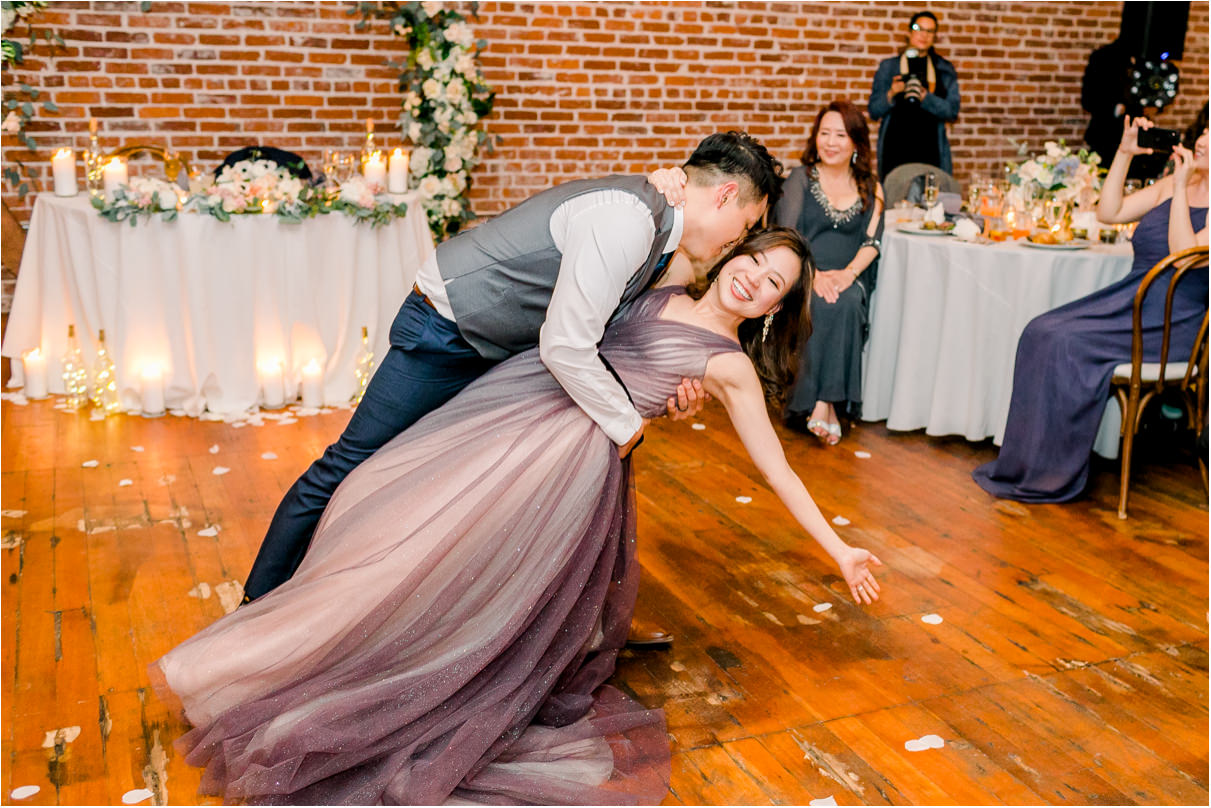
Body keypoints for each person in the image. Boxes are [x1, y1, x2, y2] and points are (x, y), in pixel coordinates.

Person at [151, 228, 885, 805]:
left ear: (774, 308)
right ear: (737, 251)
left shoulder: (725, 366)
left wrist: (838, 548)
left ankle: (358, 673)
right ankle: (303, 651)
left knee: (451, 563)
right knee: (386, 505)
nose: (753, 279)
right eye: (756, 260)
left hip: (562, 460)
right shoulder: (667, 280)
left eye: (773, 285)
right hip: (521, 398)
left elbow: (776, 468)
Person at [241, 131, 782, 607]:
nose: (738, 239)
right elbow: (568, 345)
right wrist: (628, 426)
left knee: (444, 483)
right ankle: (258, 600)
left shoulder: (660, 229)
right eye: (745, 226)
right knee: (352, 464)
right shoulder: (629, 219)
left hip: (499, 349)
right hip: (445, 332)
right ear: (726, 194)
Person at [973, 110, 1208, 502]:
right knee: (1040, 330)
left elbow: (1185, 258)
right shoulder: (1173, 183)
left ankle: (1052, 476)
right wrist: (1124, 153)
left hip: (1171, 322)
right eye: (1205, 129)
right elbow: (1109, 212)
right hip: (1132, 301)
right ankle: (1024, 465)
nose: (1202, 139)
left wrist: (1182, 189)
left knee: (1066, 342)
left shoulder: (1182, 187)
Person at [773, 100, 885, 444]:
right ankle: (822, 403)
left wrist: (847, 275)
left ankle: (824, 402)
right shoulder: (799, 179)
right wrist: (814, 275)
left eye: (841, 134)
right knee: (821, 302)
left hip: (850, 276)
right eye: (825, 133)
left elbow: (872, 242)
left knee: (848, 302)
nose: (831, 142)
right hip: (802, 271)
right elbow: (787, 235)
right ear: (815, 137)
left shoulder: (872, 186)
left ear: (856, 142)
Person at [868, 10, 959, 181]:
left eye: (930, 31)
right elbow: (874, 110)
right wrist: (893, 92)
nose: (923, 35)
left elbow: (952, 111)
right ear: (909, 32)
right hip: (894, 150)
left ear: (934, 37)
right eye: (918, 28)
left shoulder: (944, 70)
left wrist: (926, 97)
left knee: (932, 204)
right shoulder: (889, 67)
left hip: (931, 151)